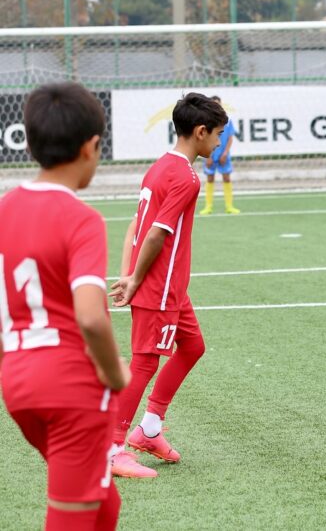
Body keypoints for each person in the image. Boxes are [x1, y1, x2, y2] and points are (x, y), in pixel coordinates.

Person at [0, 83, 130, 530]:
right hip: (72, 388)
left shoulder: (4, 209)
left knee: (103, 502)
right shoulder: (81, 218)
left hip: (18, 384)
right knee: (70, 517)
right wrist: (116, 375)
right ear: (92, 147)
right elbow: (91, 315)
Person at [109, 93, 227, 478]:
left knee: (193, 346)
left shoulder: (160, 166)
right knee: (144, 362)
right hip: (159, 286)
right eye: (218, 134)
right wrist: (137, 279)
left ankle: (150, 429)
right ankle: (112, 448)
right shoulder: (186, 178)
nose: (220, 142)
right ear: (200, 131)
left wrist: (128, 274)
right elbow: (156, 233)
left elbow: (134, 225)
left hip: (171, 287)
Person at [199, 96, 240, 215]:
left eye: (218, 104)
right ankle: (208, 207)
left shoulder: (228, 120)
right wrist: (209, 156)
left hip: (223, 155)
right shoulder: (205, 121)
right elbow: (203, 139)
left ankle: (229, 206)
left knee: (226, 178)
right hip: (210, 154)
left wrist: (225, 153)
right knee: (210, 178)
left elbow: (230, 138)